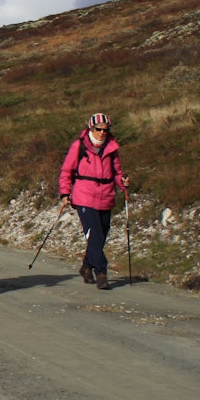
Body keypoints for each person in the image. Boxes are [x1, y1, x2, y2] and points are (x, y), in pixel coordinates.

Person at [59, 113, 130, 290]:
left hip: (106, 196)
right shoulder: (79, 146)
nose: (102, 133)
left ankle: (86, 266)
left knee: (102, 233)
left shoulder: (112, 148)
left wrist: (122, 182)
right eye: (98, 129)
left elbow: (117, 172)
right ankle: (101, 273)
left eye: (105, 130)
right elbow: (66, 170)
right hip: (84, 195)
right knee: (94, 234)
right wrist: (65, 193)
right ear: (91, 129)